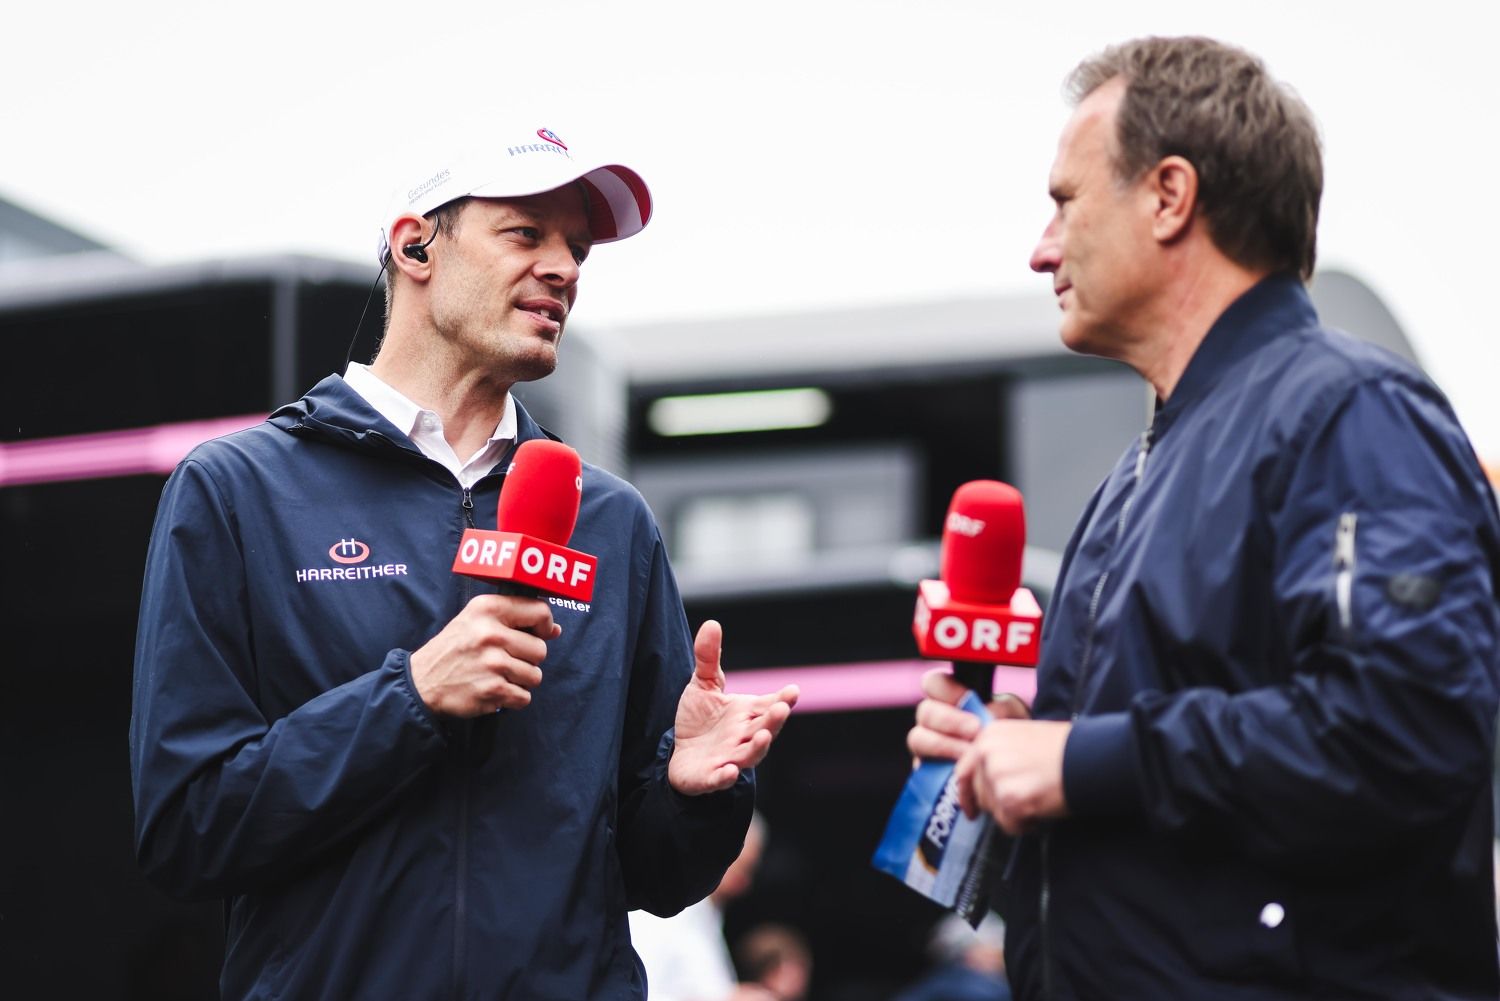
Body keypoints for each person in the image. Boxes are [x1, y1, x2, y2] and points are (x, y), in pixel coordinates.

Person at [129, 124, 799, 1000]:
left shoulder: (613, 522)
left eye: (577, 250)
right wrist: (409, 697)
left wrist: (696, 793)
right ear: (415, 246)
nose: (563, 268)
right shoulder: (237, 491)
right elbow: (188, 827)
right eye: (526, 234)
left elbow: (655, 877)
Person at [907, 36, 1500, 999]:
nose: (1040, 247)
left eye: (1065, 200)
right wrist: (1014, 749)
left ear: (1170, 195)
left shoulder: (1350, 412)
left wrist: (1077, 759)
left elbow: (1402, 732)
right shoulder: (1136, 475)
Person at [629, 811, 774, 1001]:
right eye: (740, 870)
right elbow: (635, 993)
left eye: (749, 873)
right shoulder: (662, 911)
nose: (743, 885)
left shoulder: (709, 915)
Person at [892, 914, 1011, 1001]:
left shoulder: (929, 987)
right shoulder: (974, 988)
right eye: (994, 949)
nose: (999, 957)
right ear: (968, 954)